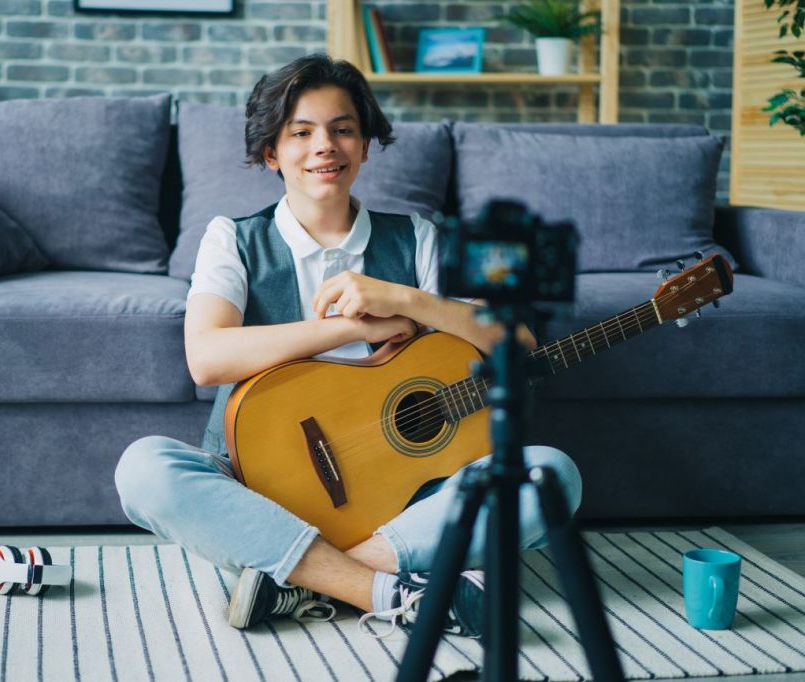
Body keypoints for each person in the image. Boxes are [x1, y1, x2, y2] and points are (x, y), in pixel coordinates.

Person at [115, 54, 582, 637]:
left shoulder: (415, 238)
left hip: (405, 505)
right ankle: (383, 587)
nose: (325, 146)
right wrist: (353, 329)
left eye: (343, 129)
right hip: (261, 493)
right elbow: (207, 359)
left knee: (552, 476)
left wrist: (404, 299)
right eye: (301, 132)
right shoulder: (231, 239)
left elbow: (521, 346)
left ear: (364, 146)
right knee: (144, 469)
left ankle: (298, 577)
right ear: (271, 153)